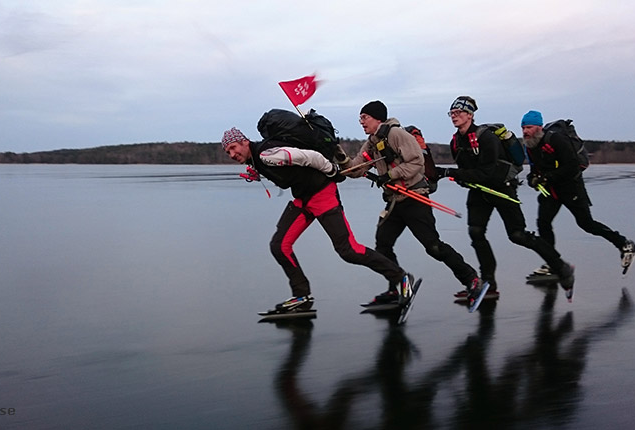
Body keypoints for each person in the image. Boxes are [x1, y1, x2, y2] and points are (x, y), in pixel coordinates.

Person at [221, 126, 415, 312]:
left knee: (348, 250)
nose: (231, 154)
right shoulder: (258, 159)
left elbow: (309, 157)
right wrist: (259, 173)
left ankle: (401, 279)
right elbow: (287, 173)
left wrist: (332, 170)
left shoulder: (266, 154)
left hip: (322, 194)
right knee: (280, 246)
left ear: (245, 141)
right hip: (303, 199)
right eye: (227, 152)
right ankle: (302, 297)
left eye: (233, 148)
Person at [436, 96, 576, 299]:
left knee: (517, 235)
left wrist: (450, 173)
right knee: (476, 233)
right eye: (452, 113)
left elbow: (487, 173)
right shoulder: (456, 141)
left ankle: (561, 267)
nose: (454, 117)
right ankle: (489, 284)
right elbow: (467, 171)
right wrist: (458, 177)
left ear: (470, 115)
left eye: (459, 113)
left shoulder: (486, 138)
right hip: (479, 191)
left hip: (502, 190)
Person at [346, 100, 482, 305]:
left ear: (378, 118)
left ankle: (471, 279)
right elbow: (356, 168)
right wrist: (336, 159)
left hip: (414, 199)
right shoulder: (372, 142)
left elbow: (417, 161)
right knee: (383, 245)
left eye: (364, 117)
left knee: (433, 246)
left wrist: (390, 174)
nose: (361, 122)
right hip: (394, 201)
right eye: (360, 118)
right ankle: (397, 287)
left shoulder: (396, 134)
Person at [520, 110, 635, 276]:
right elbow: (534, 169)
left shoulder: (556, 139)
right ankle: (553, 263)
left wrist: (547, 177)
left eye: (529, 127)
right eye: (523, 128)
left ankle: (625, 244)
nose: (525, 131)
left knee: (587, 224)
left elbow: (571, 166)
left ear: (539, 127)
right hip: (551, 191)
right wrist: (532, 178)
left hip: (571, 187)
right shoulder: (530, 145)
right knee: (543, 223)